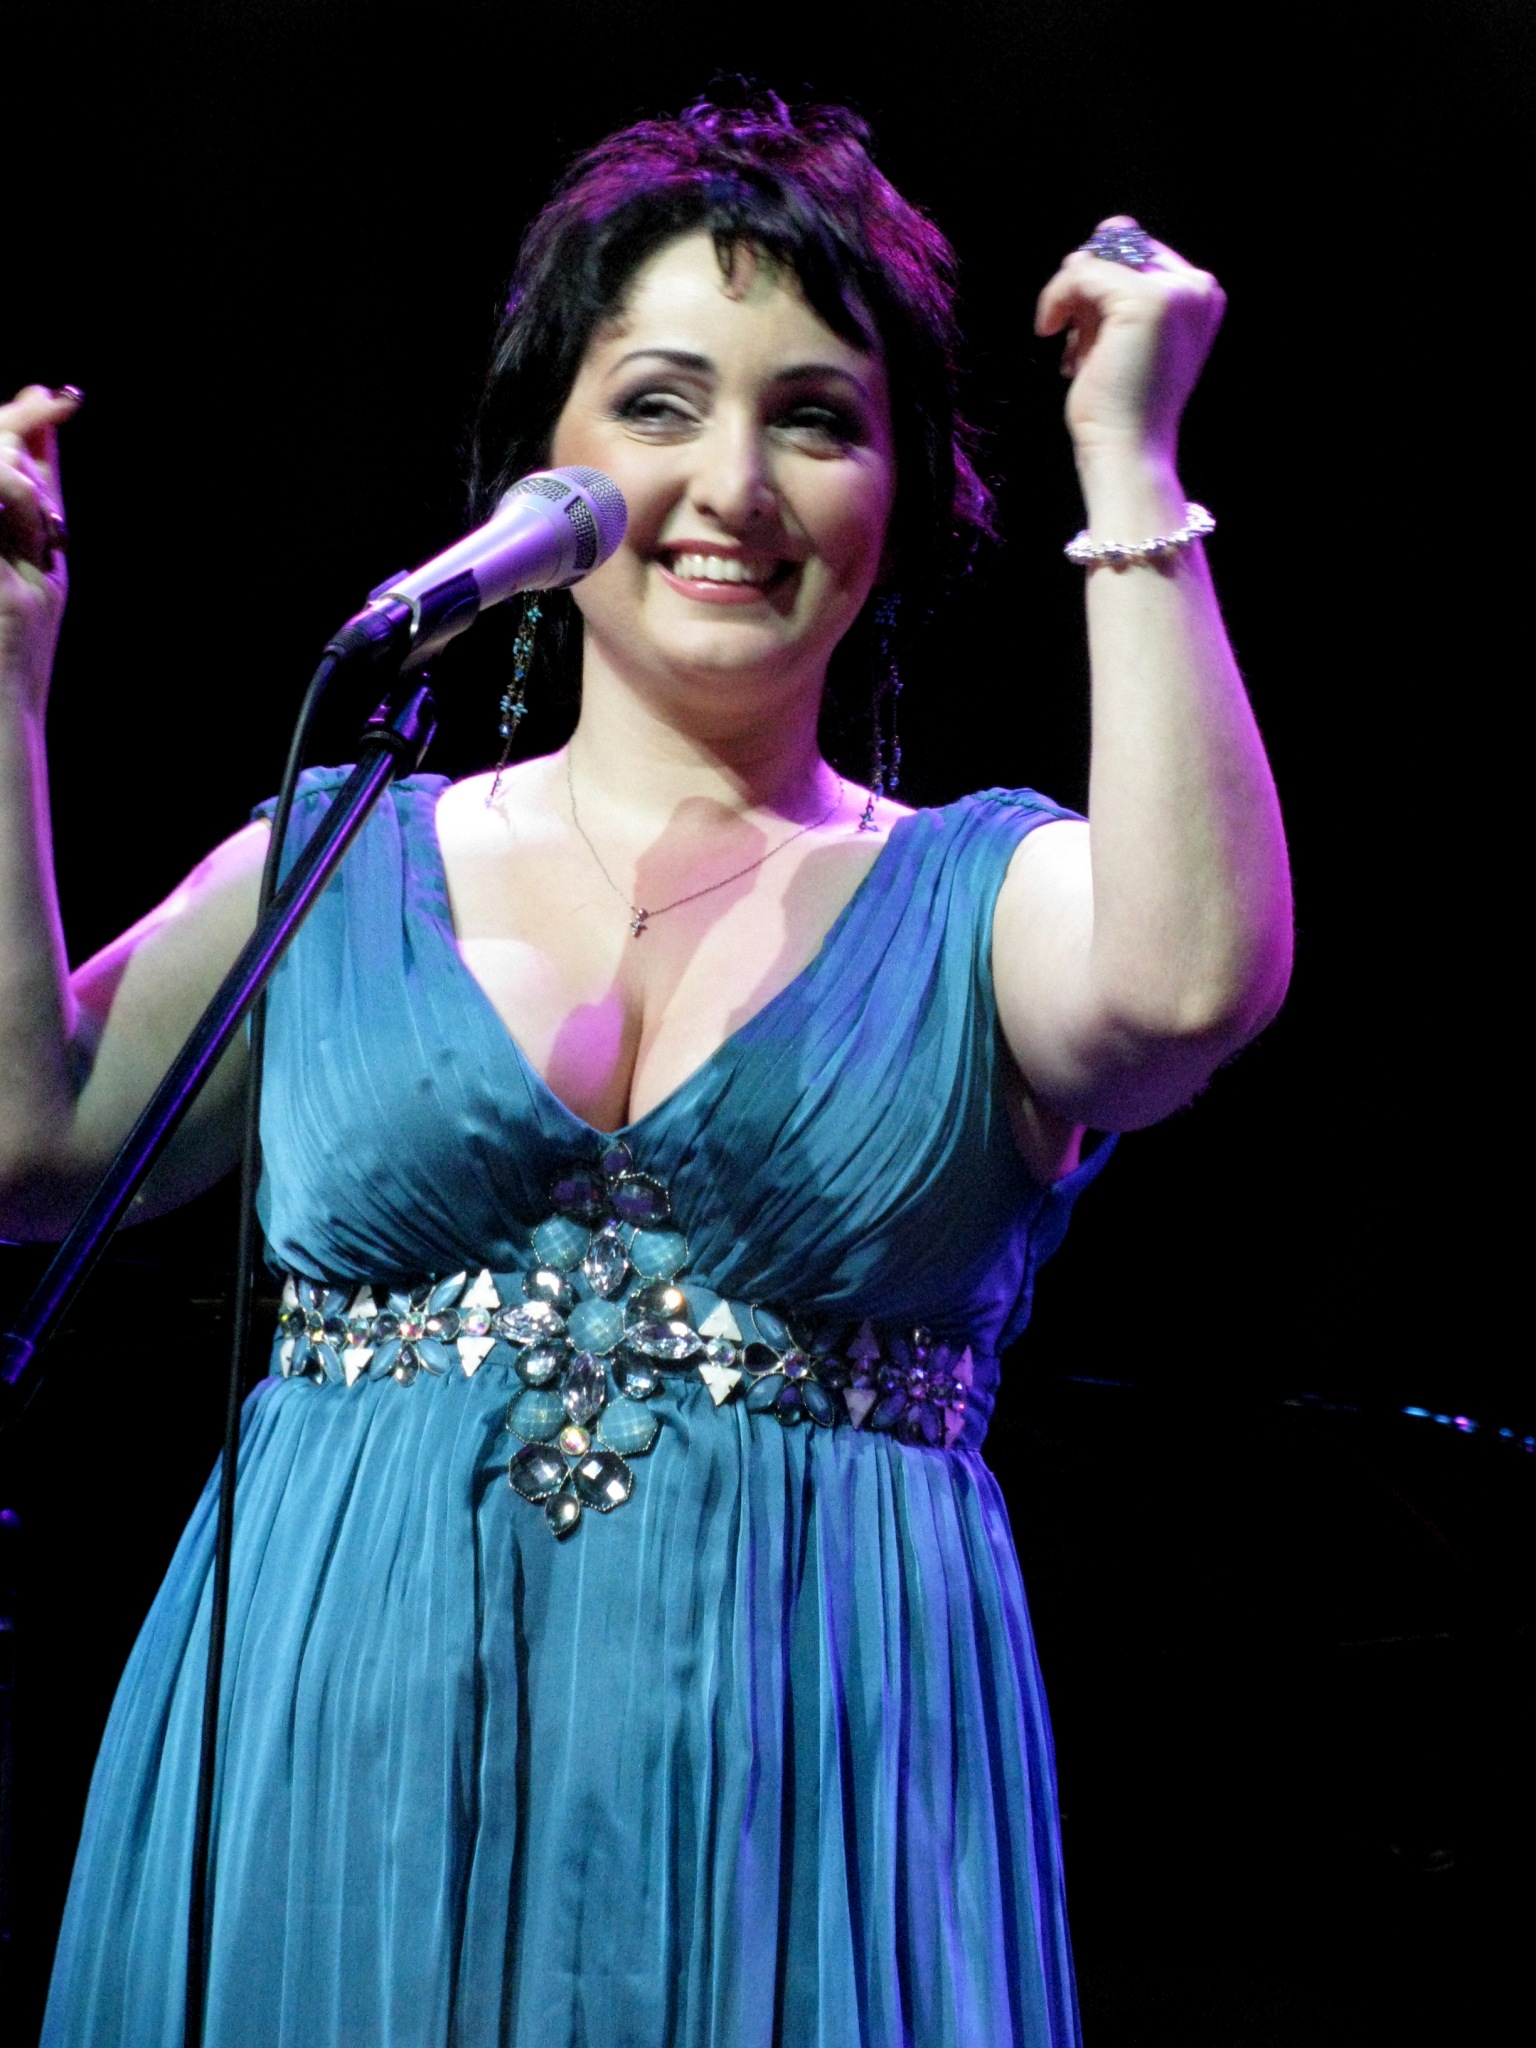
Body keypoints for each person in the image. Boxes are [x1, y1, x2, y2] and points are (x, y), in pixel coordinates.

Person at [2, 95, 1291, 2048]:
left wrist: (1131, 461)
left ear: (902, 494)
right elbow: (32, 1142)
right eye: (661, 403)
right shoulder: (333, 859)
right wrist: (6, 676)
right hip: (324, 1793)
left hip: (808, 1823)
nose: (733, 485)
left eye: (817, 420)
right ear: (546, 462)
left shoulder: (980, 893)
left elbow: (1190, 983)